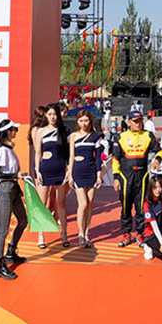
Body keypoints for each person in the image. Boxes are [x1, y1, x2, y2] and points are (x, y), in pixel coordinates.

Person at [112, 111, 162, 248]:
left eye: (140, 120)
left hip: (142, 176)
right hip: (125, 177)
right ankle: (127, 234)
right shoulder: (121, 137)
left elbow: (159, 151)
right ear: (129, 122)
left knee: (141, 207)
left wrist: (157, 160)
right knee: (125, 207)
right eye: (135, 121)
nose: (138, 123)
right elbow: (115, 159)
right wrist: (116, 178)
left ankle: (140, 234)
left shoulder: (147, 135)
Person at [0, 119, 28, 280]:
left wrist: (18, 185)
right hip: (4, 190)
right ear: (7, 131)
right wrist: (16, 176)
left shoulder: (10, 150)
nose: (16, 132)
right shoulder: (2, 151)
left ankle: (11, 252)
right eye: (14, 130)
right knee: (4, 229)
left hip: (12, 189)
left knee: (23, 220)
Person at [33, 104, 68, 249]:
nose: (53, 117)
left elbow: (67, 153)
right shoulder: (40, 131)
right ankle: (41, 236)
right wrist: (37, 170)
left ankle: (64, 235)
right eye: (50, 114)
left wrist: (68, 170)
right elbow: (38, 153)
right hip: (45, 169)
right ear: (46, 115)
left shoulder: (64, 131)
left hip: (60, 170)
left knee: (61, 203)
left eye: (55, 114)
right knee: (43, 204)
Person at [65, 110, 102, 248]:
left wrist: (99, 175)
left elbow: (98, 157)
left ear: (90, 121)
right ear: (77, 122)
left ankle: (86, 233)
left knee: (90, 204)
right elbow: (71, 156)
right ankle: (80, 234)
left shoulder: (95, 137)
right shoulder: (73, 136)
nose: (84, 123)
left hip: (91, 172)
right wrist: (70, 174)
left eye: (86, 120)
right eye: (81, 121)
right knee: (83, 204)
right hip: (78, 172)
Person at [142, 175, 162, 261]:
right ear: (150, 189)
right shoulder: (147, 204)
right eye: (155, 188)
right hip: (152, 234)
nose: (158, 190)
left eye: (160, 187)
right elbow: (154, 225)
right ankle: (149, 246)